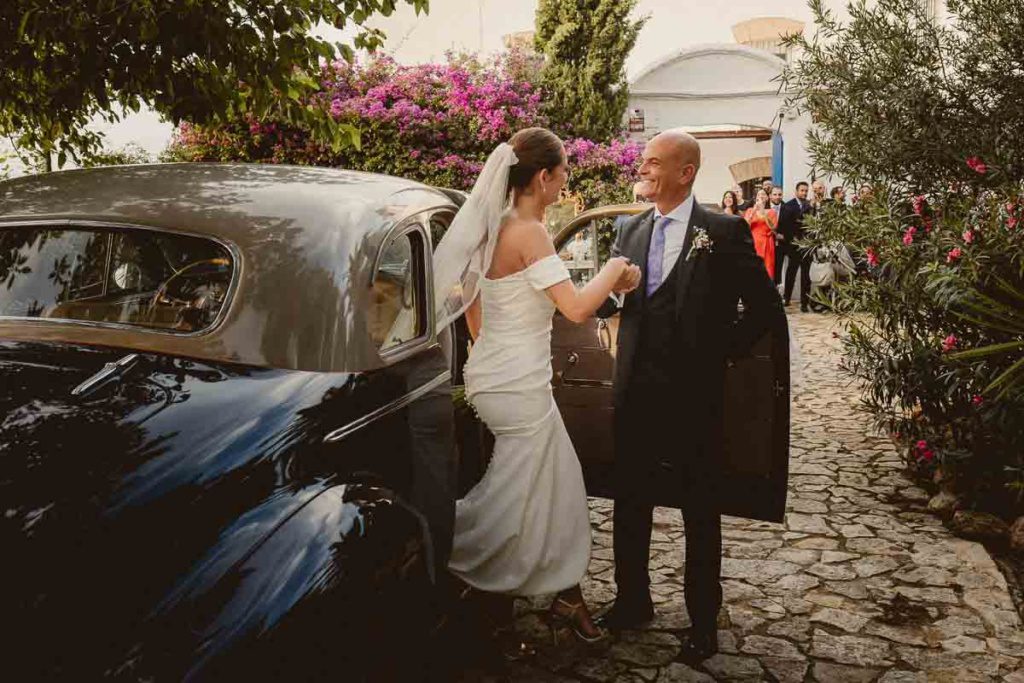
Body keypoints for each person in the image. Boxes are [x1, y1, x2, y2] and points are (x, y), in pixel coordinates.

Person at [433, 127, 642, 645]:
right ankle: (453, 551)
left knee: (546, 485)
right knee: (539, 487)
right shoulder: (530, 231)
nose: (567, 178)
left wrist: (496, 357)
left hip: (493, 377)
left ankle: (561, 597)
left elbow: (473, 311)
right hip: (520, 387)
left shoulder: (492, 226)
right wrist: (614, 268)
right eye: (564, 170)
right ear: (544, 178)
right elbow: (574, 306)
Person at [594, 130, 785, 665]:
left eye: (655, 163)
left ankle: (703, 620)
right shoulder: (627, 229)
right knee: (630, 500)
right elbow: (609, 304)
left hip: (695, 398)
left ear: (686, 172)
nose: (644, 168)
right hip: (635, 389)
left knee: (701, 508)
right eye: (644, 161)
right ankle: (633, 600)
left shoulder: (721, 231)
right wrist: (604, 299)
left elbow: (766, 309)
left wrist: (720, 353)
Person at [778, 181, 815, 312]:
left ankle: (804, 303)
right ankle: (787, 298)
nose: (804, 193)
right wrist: (790, 242)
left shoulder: (810, 206)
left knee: (806, 275)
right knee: (791, 273)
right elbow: (783, 226)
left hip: (807, 246)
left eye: (806, 191)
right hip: (793, 245)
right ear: (796, 191)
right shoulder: (788, 206)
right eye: (802, 190)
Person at [743, 188, 778, 280]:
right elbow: (745, 226)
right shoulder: (750, 210)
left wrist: (763, 213)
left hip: (766, 242)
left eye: (763, 194)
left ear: (767, 198)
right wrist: (754, 211)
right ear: (756, 198)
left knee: (767, 267)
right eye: (759, 194)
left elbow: (773, 227)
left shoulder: (772, 212)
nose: (761, 196)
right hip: (753, 241)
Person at [769, 185, 785, 284]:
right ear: (770, 196)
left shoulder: (786, 207)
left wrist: (784, 236)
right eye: (775, 194)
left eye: (779, 194)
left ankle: (776, 293)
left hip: (781, 244)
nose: (777, 197)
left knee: (778, 268)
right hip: (766, 243)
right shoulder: (764, 208)